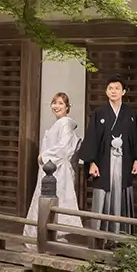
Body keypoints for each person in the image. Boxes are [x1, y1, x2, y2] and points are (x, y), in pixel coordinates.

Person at [78, 74, 137, 234]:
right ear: (106, 91)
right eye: (110, 88)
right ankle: (100, 236)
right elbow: (92, 138)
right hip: (103, 161)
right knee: (103, 192)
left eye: (117, 88)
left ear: (124, 92)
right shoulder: (99, 113)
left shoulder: (130, 114)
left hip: (124, 160)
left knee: (122, 192)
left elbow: (136, 138)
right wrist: (92, 162)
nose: (113, 91)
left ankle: (121, 234)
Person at [23, 92, 83, 249]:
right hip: (51, 168)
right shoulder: (59, 124)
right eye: (54, 103)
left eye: (61, 103)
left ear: (67, 107)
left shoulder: (65, 123)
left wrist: (44, 156)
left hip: (57, 169)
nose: (57, 106)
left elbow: (63, 148)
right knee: (47, 201)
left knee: (54, 201)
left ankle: (48, 238)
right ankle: (44, 237)